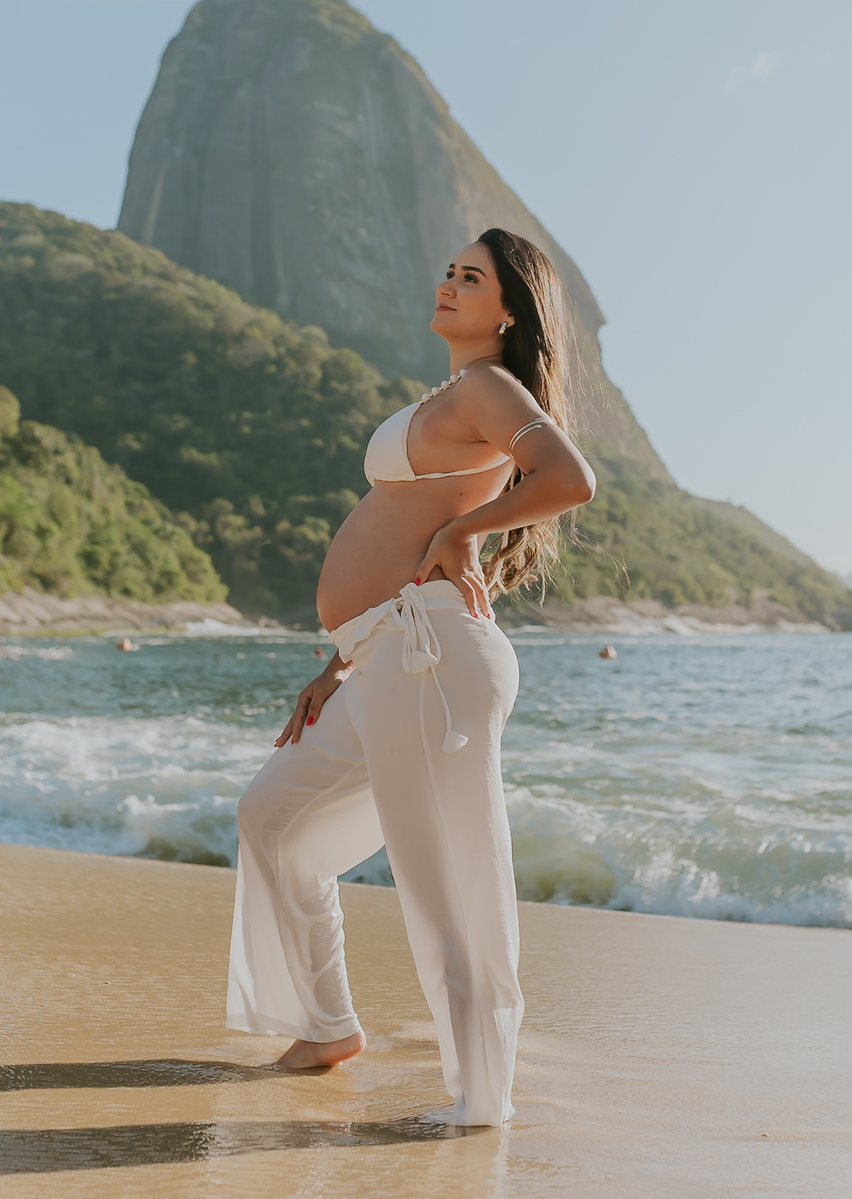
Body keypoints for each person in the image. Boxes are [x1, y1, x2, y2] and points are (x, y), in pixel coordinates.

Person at [227, 228, 596, 1125]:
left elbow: (570, 476)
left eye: (472, 277)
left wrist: (466, 533)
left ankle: (479, 1103)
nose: (450, 282)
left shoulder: (487, 385)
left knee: (443, 885)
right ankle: (328, 1025)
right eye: (449, 270)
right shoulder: (458, 391)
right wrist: (338, 660)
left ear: (508, 310)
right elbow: (402, 528)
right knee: (273, 818)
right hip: (387, 652)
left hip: (430, 656)